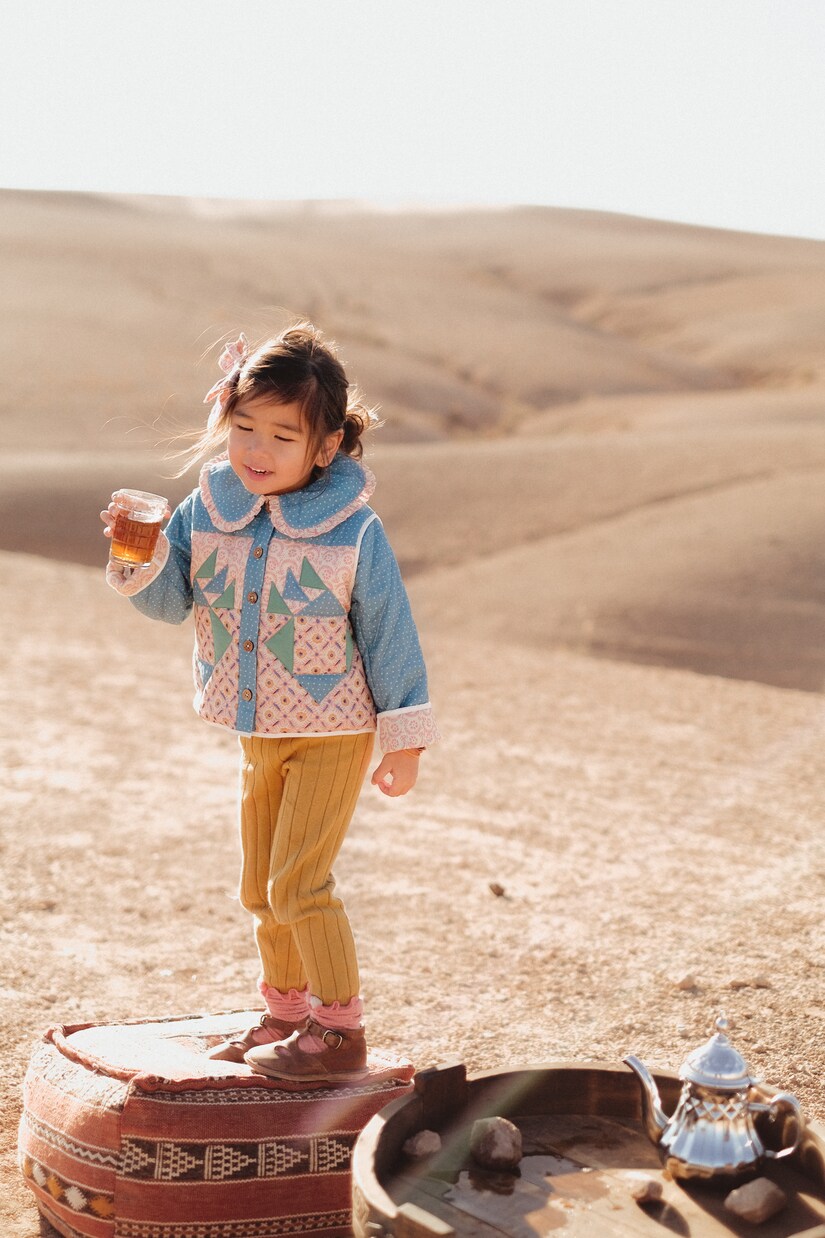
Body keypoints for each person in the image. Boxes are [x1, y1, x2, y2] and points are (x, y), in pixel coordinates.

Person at [101, 322, 438, 1082]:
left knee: (299, 883)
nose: (255, 449)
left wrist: (404, 739)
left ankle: (338, 1031)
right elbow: (172, 603)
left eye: (281, 436)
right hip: (259, 731)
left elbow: (388, 631)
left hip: (334, 732)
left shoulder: (351, 532)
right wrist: (138, 559)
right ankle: (285, 1015)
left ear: (324, 448)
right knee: (260, 886)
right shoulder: (206, 510)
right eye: (243, 427)